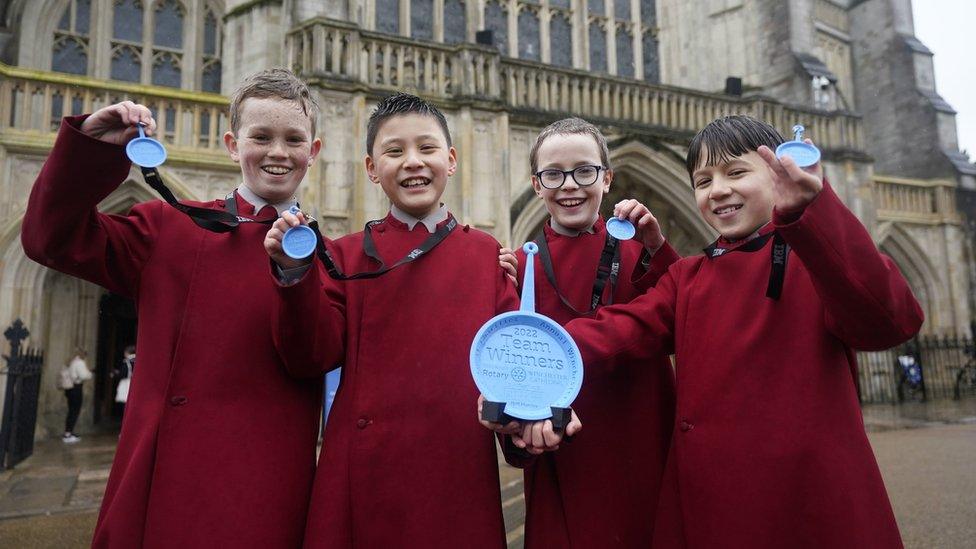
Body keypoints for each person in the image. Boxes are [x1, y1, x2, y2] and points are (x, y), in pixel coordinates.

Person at [561, 115, 923, 548]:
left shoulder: (815, 252)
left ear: (776, 173)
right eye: (702, 180)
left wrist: (814, 211)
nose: (718, 190)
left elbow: (891, 320)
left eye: (736, 172)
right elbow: (619, 329)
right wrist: (530, 352)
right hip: (714, 501)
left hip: (807, 502)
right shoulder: (688, 276)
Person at [22, 68, 331, 547]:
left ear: (313, 152)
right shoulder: (170, 227)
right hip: (165, 489)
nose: (277, 152)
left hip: (270, 495)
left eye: (293, 139)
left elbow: (317, 356)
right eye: (261, 136)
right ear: (232, 144)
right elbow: (50, 240)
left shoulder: (333, 258)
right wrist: (93, 150)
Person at [265, 92, 580, 548]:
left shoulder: (487, 255)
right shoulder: (341, 254)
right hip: (360, 477)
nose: (413, 162)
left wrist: (528, 423)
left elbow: (514, 367)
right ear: (372, 168)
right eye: (394, 152)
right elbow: (310, 354)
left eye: (427, 148)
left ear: (450, 160)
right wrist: (295, 274)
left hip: (456, 478)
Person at [488, 117, 679, 547]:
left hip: (641, 441)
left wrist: (656, 249)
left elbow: (676, 317)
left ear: (607, 179)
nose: (569, 185)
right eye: (553, 174)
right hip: (564, 452)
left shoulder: (640, 251)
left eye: (584, 171)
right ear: (536, 185)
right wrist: (518, 435)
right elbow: (504, 364)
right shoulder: (519, 265)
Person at [59, 347, 93, 443]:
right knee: (74, 410)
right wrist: (90, 374)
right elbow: (83, 375)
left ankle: (68, 432)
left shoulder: (71, 361)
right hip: (76, 387)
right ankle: (68, 433)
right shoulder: (79, 362)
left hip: (69, 388)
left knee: (71, 410)